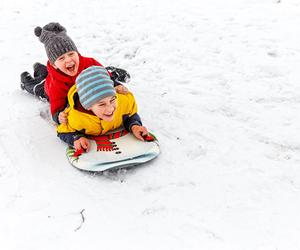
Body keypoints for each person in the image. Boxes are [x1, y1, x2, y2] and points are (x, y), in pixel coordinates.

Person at [20, 22, 129, 124]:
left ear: (77, 53)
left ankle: (38, 67)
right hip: (46, 87)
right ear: (54, 64)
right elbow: (56, 108)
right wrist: (58, 116)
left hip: (80, 84)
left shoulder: (90, 63)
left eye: (71, 54)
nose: (68, 60)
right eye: (61, 58)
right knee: (38, 85)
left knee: (101, 72)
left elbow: (105, 78)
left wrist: (116, 85)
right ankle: (27, 80)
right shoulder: (55, 84)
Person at [57, 66, 148, 153]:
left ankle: (112, 73)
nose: (110, 108)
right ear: (88, 107)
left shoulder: (122, 102)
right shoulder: (76, 118)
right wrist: (76, 137)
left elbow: (130, 114)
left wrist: (134, 126)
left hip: (104, 82)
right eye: (102, 104)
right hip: (62, 89)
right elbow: (63, 130)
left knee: (109, 82)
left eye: (112, 100)